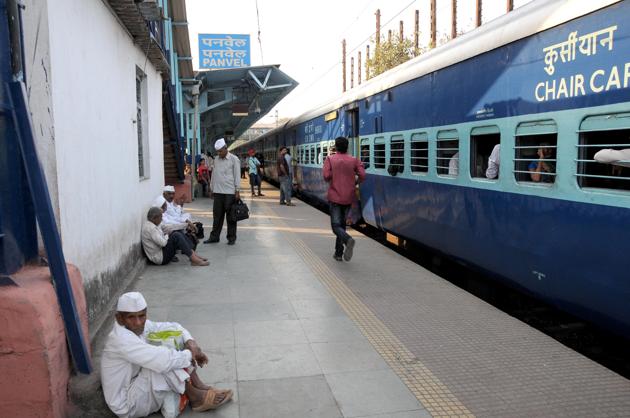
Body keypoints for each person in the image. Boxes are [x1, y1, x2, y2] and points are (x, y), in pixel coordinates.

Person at [101, 292, 233, 417]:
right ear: (120, 318)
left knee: (173, 340)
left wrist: (191, 343)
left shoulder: (139, 326)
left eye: (142, 316)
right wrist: (190, 354)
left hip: (137, 382)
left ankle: (198, 385)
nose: (138, 322)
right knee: (163, 361)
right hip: (127, 403)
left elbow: (174, 328)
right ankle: (196, 397)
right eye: (131, 317)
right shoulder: (121, 339)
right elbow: (163, 361)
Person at [323, 136, 366, 262]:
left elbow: (326, 176)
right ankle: (338, 253)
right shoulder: (354, 160)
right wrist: (355, 180)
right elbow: (363, 175)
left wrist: (334, 174)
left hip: (335, 196)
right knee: (341, 225)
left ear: (336, 146)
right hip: (348, 196)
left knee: (336, 226)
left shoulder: (330, 159)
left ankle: (348, 240)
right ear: (347, 146)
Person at [142, 206, 208, 266]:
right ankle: (194, 259)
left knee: (177, 232)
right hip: (160, 258)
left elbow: (170, 227)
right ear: (154, 218)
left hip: (162, 251)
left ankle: (193, 255)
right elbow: (163, 243)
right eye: (161, 217)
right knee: (176, 235)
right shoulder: (151, 228)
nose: (161, 219)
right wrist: (167, 235)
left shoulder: (154, 224)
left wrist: (186, 225)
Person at [204, 138, 241, 245]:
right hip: (218, 192)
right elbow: (214, 175)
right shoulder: (216, 160)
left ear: (225, 148)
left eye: (220, 151)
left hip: (230, 192)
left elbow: (237, 175)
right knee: (217, 216)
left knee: (231, 216)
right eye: (218, 152)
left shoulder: (234, 159)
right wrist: (211, 188)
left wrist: (237, 191)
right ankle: (214, 237)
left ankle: (231, 238)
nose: (219, 153)